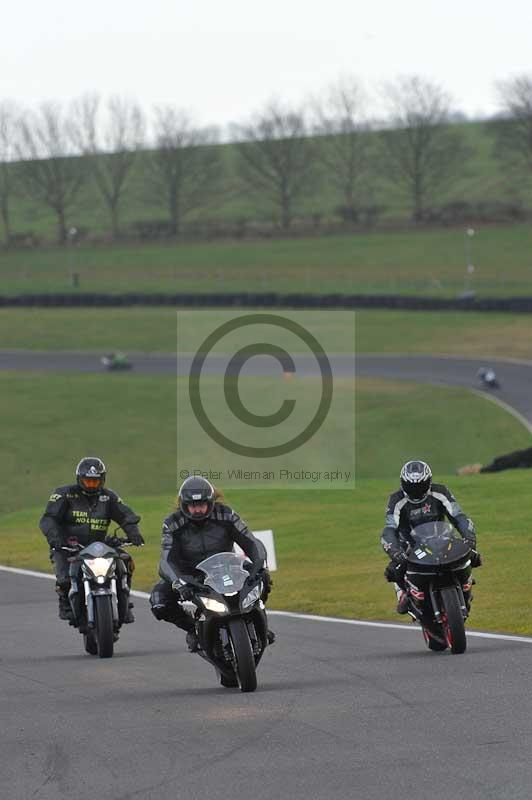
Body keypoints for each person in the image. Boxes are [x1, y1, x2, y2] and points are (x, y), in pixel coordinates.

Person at [150, 476, 273, 652]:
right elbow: (166, 560)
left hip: (227, 567)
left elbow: (252, 542)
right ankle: (193, 629)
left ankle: (257, 622)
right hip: (191, 576)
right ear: (184, 505)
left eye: (202, 505)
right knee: (159, 601)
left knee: (263, 578)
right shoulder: (172, 523)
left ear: (211, 502)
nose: (198, 510)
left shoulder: (226, 514)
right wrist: (179, 582)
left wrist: (260, 565)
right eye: (193, 506)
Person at [39, 457, 144, 621]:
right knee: (65, 577)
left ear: (102, 480)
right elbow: (49, 518)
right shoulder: (64, 494)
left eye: (95, 482)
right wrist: (56, 539)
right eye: (87, 481)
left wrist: (134, 533)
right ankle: (65, 602)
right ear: (79, 479)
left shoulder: (108, 497)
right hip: (69, 547)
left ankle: (125, 600)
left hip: (100, 547)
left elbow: (126, 515)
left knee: (125, 562)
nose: (91, 485)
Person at [381, 460, 481, 614]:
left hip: (442, 538)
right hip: (411, 545)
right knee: (394, 570)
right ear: (403, 483)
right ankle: (404, 595)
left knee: (473, 556)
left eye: (420, 485)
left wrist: (469, 538)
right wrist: (395, 552)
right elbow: (389, 529)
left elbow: (458, 516)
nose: (416, 490)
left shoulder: (440, 491)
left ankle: (466, 584)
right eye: (411, 486)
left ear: (429, 481)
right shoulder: (396, 500)